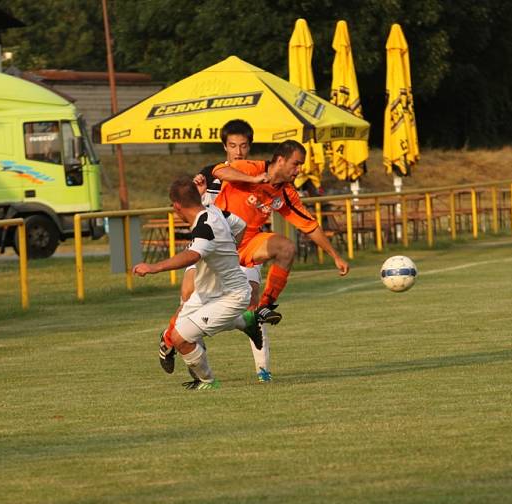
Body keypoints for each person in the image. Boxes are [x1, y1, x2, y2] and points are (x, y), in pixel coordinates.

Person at [158, 119, 276, 383]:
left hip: (242, 246)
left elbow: (266, 203)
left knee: (252, 302)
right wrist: (201, 192)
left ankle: (263, 370)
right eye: (232, 146)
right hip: (208, 246)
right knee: (189, 293)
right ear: (225, 146)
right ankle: (175, 341)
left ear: (250, 147)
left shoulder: (259, 177)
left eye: (243, 146)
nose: (238, 152)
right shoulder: (211, 174)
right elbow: (196, 204)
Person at [133, 177, 263, 390]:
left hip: (232, 295)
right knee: (176, 335)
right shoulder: (216, 211)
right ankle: (246, 322)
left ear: (176, 206)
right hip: (206, 292)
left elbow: (192, 256)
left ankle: (208, 382)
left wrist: (154, 267)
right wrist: (229, 251)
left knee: (182, 339)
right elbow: (241, 225)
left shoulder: (205, 227)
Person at [213, 139, 350, 318]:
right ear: (280, 160)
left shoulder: (286, 193)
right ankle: (169, 340)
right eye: (296, 164)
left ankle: (265, 305)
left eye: (301, 165)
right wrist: (253, 179)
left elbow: (310, 226)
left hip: (247, 245)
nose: (299, 170)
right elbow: (219, 171)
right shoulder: (251, 168)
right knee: (190, 299)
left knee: (286, 248)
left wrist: (335, 256)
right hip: (216, 242)